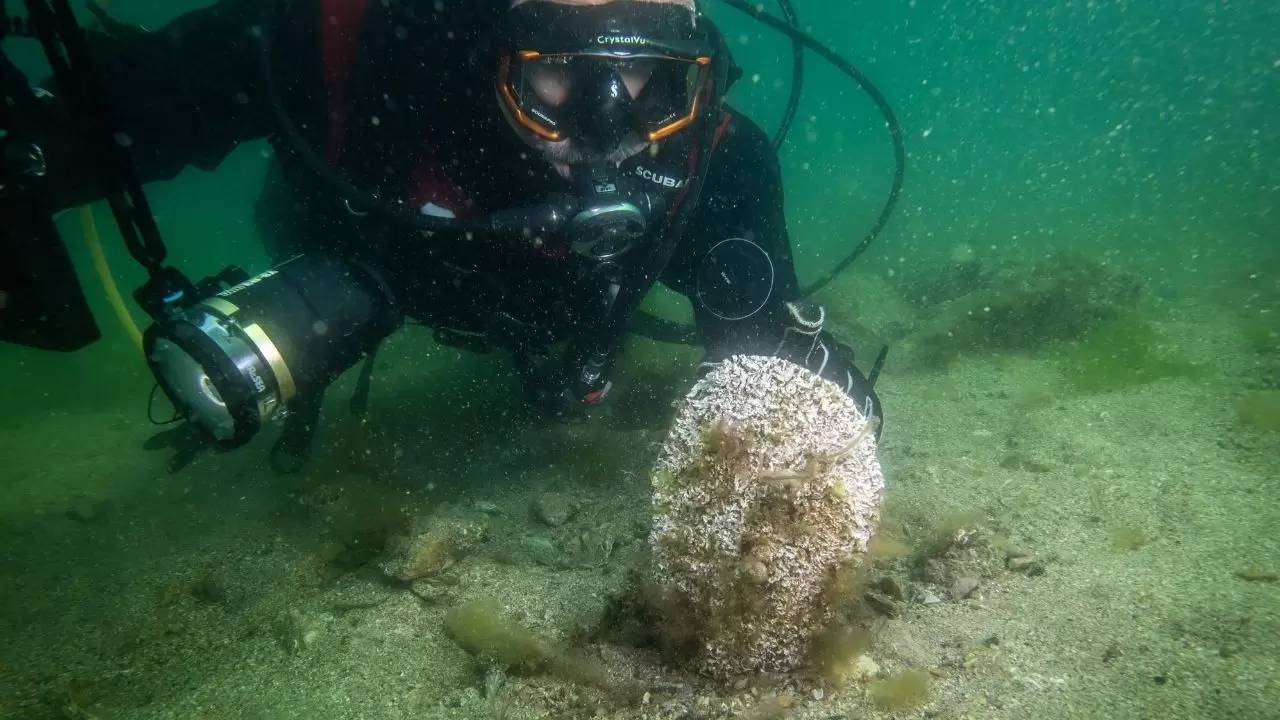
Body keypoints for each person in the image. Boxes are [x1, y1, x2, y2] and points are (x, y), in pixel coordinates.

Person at [7, 0, 882, 466]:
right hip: (354, 247)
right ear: (490, 46)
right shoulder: (352, 48)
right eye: (556, 77)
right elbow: (112, 116)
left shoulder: (720, 161)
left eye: (654, 81)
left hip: (562, 339)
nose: (610, 126)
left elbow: (758, 367)